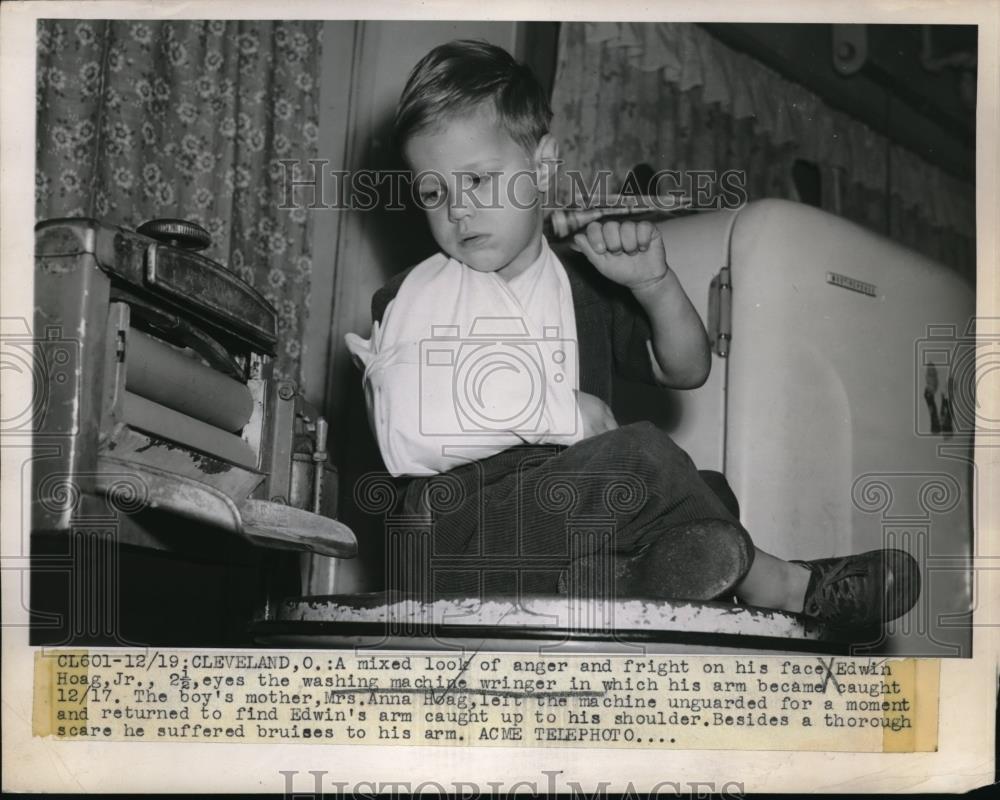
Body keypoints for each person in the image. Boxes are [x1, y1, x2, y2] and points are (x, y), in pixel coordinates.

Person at [346, 39, 920, 628]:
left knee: (708, 495)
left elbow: (688, 368)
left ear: (543, 167)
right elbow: (406, 429)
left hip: (565, 541)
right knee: (643, 459)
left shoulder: (585, 286)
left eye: (479, 180)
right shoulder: (413, 293)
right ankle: (785, 583)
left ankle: (623, 581)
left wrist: (655, 284)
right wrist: (565, 414)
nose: (458, 211)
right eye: (434, 193)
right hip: (458, 544)